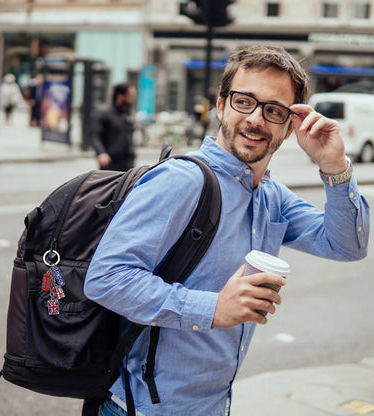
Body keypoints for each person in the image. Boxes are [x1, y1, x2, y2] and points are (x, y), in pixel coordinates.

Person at [83, 46, 370, 416]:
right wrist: (213, 308)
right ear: (221, 105)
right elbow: (106, 278)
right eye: (243, 101)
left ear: (289, 124)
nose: (255, 119)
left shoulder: (270, 196)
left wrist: (334, 165)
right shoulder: (179, 181)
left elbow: (347, 245)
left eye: (273, 110)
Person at [91, 82, 136, 171]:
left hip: (128, 163)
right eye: (130, 95)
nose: (133, 98)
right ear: (120, 96)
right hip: (110, 162)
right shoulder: (104, 113)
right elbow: (94, 135)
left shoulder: (127, 113)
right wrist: (101, 153)